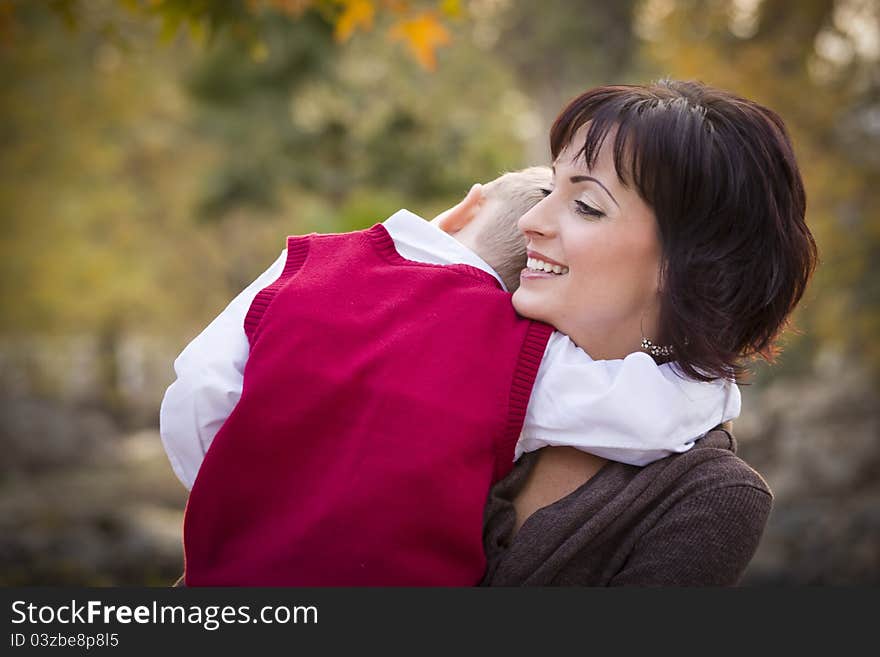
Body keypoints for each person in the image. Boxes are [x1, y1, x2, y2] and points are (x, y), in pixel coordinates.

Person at [162, 167, 739, 586]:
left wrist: (241, 491)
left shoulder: (305, 262)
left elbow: (197, 390)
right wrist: (715, 380)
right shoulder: (514, 349)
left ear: (466, 207)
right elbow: (643, 416)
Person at [479, 79, 818, 586]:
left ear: (687, 267)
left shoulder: (707, 496)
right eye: (551, 189)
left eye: (587, 206)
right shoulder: (469, 358)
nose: (531, 220)